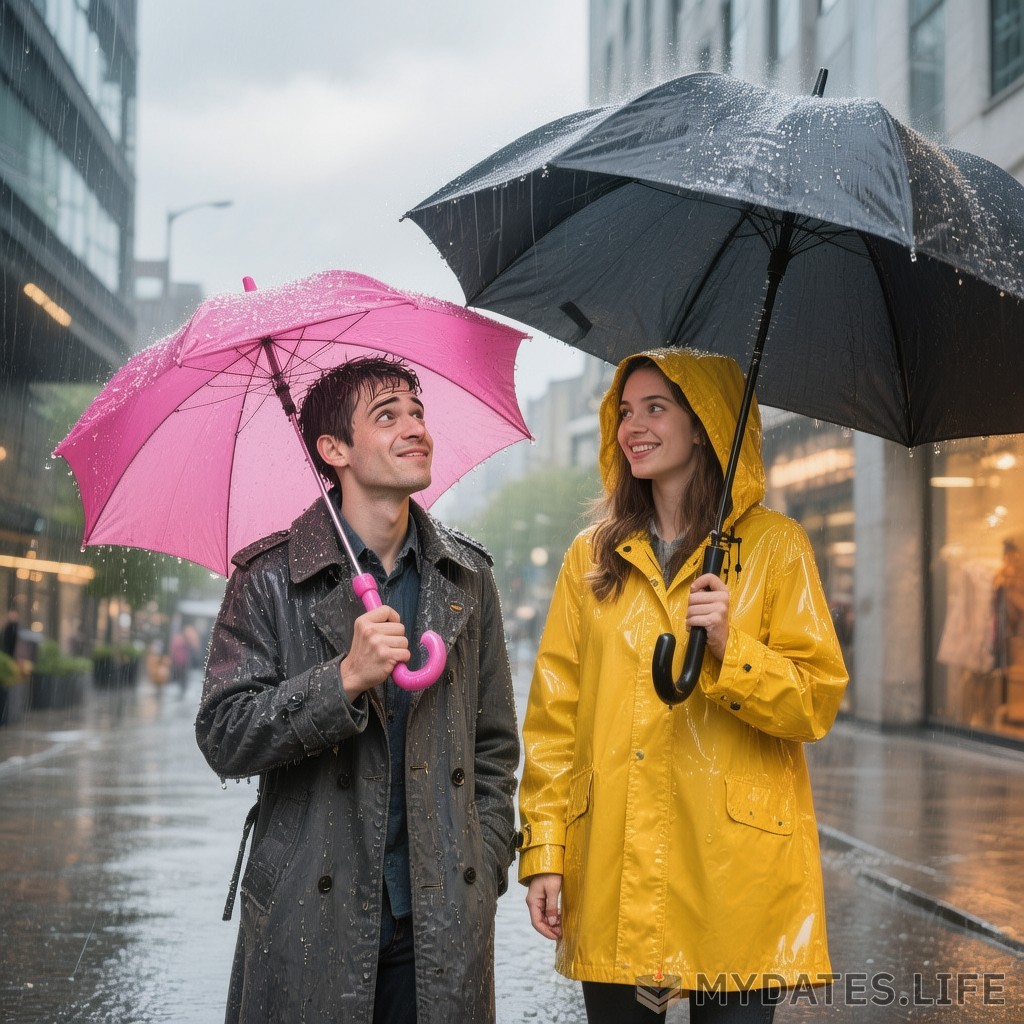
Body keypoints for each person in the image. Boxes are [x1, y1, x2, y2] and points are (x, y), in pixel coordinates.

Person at [518, 348, 849, 1023]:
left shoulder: (775, 548)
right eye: (624, 412)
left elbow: (815, 702)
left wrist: (734, 649)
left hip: (736, 869)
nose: (631, 427)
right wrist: (545, 851)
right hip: (613, 864)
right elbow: (556, 719)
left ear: (703, 425)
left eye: (655, 408)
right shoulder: (590, 558)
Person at [196, 355, 519, 1024]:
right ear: (333, 449)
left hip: (437, 925)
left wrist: (482, 867)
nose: (415, 428)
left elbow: (493, 748)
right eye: (388, 415)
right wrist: (340, 680)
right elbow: (224, 734)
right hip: (309, 919)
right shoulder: (268, 579)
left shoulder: (466, 578)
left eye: (417, 412)